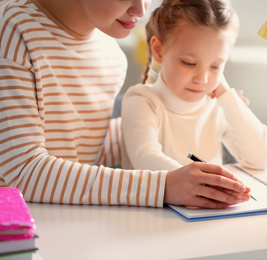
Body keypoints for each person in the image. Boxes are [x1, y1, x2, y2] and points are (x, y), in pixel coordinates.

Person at [0, 0, 252, 209]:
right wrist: (163, 186)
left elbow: (84, 150)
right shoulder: (12, 29)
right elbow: (22, 172)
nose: (141, 10)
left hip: (72, 221)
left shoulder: (111, 56)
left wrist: (163, 117)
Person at [121, 0, 267, 172]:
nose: (202, 79)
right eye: (189, 63)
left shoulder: (216, 105)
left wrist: (228, 97)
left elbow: (263, 159)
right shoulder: (141, 101)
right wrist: (199, 179)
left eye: (215, 66)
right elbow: (146, 158)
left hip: (211, 197)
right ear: (158, 50)